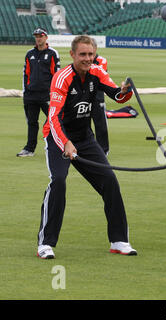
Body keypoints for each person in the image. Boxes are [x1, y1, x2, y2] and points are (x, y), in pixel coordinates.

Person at [37, 35, 136, 259]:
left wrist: (125, 90)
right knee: (59, 182)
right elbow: (53, 119)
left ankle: (119, 240)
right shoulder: (62, 78)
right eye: (83, 54)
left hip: (84, 137)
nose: (87, 59)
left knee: (110, 181)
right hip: (57, 137)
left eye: (91, 54)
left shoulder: (97, 72)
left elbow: (117, 96)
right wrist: (65, 143)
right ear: (72, 55)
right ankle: (45, 243)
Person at [18, 27, 60, 157]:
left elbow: (56, 75)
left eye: (40, 36)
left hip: (46, 95)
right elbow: (26, 74)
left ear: (46, 37)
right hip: (31, 95)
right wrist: (25, 92)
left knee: (54, 120)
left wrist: (54, 93)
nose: (38, 38)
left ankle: (58, 146)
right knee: (31, 122)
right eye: (36, 36)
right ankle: (29, 149)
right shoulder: (29, 54)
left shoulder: (53, 53)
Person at [91, 38, 110, 155]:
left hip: (98, 97)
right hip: (84, 97)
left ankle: (104, 150)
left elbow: (97, 76)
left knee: (101, 125)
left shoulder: (101, 60)